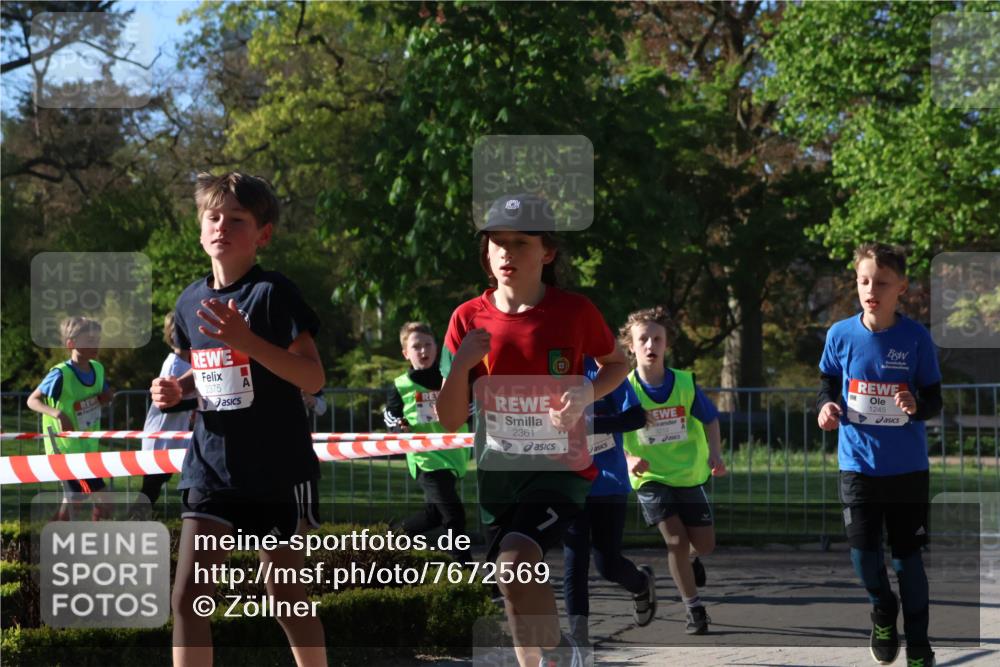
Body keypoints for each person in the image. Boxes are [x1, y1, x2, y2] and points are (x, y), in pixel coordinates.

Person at [436, 193, 630, 667]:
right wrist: (460, 365)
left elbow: (617, 363)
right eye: (496, 242)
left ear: (547, 252)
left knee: (514, 562)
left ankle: (562, 653)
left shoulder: (575, 311)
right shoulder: (467, 318)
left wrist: (586, 393)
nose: (506, 252)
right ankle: (551, 656)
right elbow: (448, 417)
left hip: (560, 469)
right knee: (512, 586)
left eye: (520, 242)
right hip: (499, 475)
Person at [150, 172, 326, 667]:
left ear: (262, 234)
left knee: (285, 597)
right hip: (210, 467)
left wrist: (249, 341)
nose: (222, 227)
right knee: (187, 598)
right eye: (213, 217)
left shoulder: (273, 293)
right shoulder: (190, 301)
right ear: (200, 229)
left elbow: (313, 378)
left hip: (274, 469)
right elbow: (212, 370)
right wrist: (178, 390)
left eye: (237, 219)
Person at [817, 242, 942, 667]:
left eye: (882, 283)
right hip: (858, 466)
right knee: (864, 559)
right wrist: (825, 406)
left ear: (901, 287)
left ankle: (919, 645)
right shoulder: (840, 334)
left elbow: (934, 398)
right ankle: (883, 610)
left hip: (907, 469)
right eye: (864, 281)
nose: (871, 290)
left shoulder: (916, 338)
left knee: (908, 562)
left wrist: (917, 406)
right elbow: (827, 383)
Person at [620, 306, 726, 635]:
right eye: (643, 339)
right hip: (650, 477)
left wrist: (715, 454)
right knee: (676, 541)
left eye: (657, 339)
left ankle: (692, 560)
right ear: (631, 346)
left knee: (703, 545)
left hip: (687, 473)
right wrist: (628, 459)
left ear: (667, 344)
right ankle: (694, 609)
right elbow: (610, 433)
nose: (650, 345)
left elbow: (710, 419)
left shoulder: (684, 383)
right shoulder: (624, 387)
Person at [562, 356, 654, 647]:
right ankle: (579, 639)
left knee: (607, 564)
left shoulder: (603, 368)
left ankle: (641, 584)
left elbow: (635, 417)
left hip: (607, 482)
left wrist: (590, 424)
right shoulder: (550, 367)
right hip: (568, 484)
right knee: (574, 561)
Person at [384, 321, 472, 562]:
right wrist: (399, 425)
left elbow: (472, 407)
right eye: (416, 346)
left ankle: (389, 539)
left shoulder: (452, 378)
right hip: (426, 459)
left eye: (428, 344)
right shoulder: (400, 385)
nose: (423, 351)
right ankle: (466, 572)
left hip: (453, 456)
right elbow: (391, 416)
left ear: (437, 347)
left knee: (434, 515)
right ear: (406, 353)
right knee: (453, 515)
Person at [26, 316, 113, 521]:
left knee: (81, 500)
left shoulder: (98, 368)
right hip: (65, 451)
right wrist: (58, 414)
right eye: (89, 341)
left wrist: (107, 397)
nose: (95, 345)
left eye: (97, 340)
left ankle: (59, 532)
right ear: (71, 344)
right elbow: (32, 400)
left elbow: (104, 394)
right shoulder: (60, 374)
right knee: (91, 497)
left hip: (87, 449)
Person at [136, 313, 194, 514]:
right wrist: (199, 404)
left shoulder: (189, 365)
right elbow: (165, 405)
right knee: (151, 489)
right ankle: (133, 521)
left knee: (171, 482)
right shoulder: (174, 365)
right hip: (160, 437)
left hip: (176, 436)